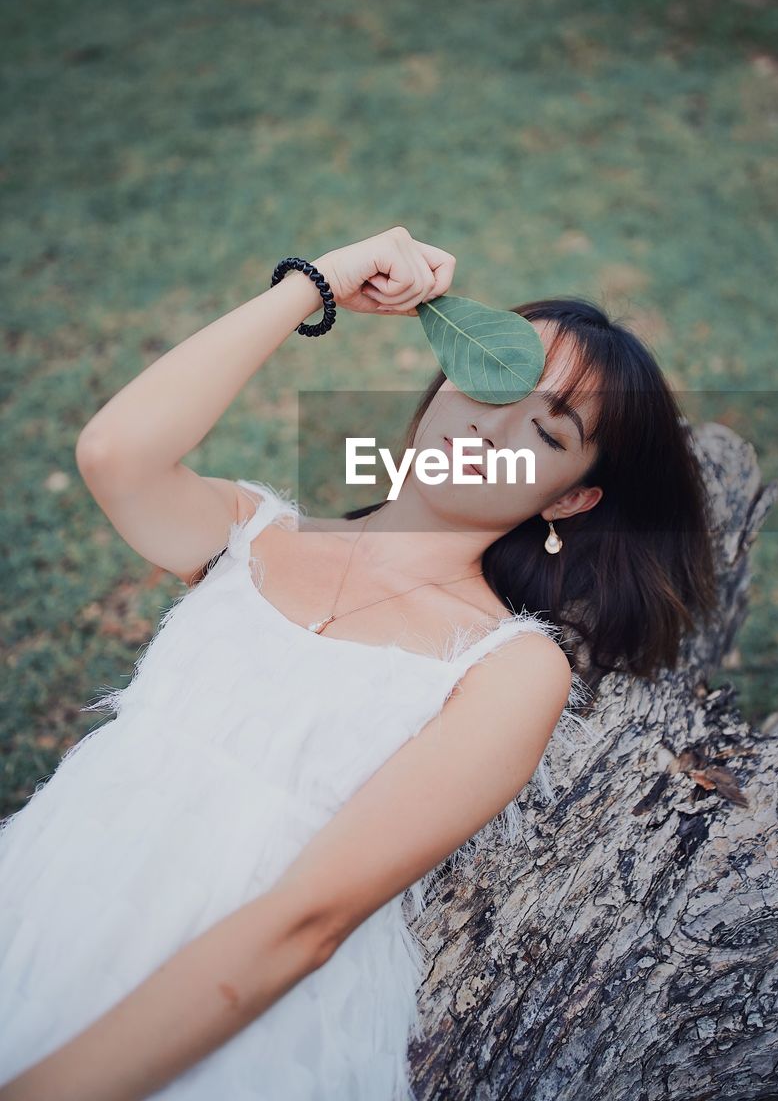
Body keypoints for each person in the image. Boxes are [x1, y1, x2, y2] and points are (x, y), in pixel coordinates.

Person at [0, 226, 718, 1100]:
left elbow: (308, 922)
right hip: (52, 893)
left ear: (570, 496)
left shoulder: (509, 668)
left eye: (545, 428)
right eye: (492, 382)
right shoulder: (251, 532)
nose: (491, 426)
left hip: (231, 1003)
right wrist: (318, 282)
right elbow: (115, 455)